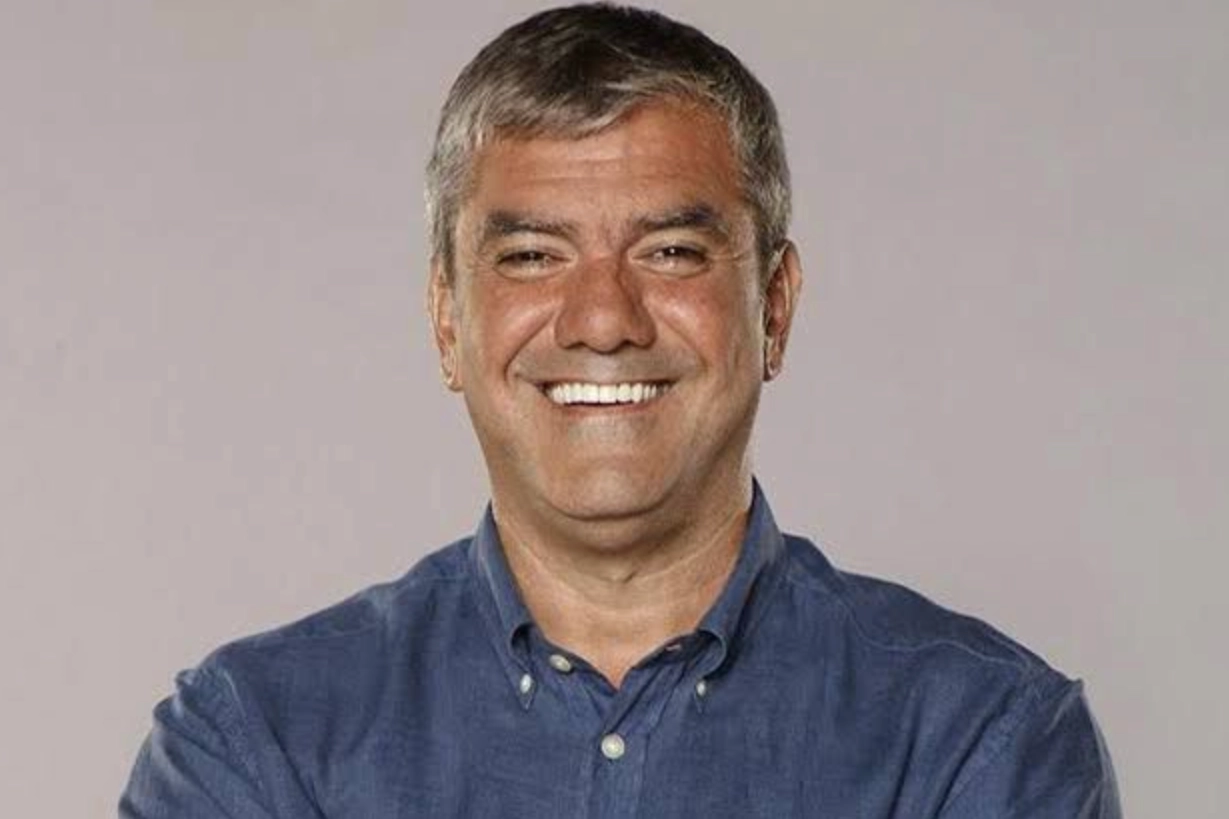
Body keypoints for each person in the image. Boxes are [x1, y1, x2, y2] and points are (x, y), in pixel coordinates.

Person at [120, 4, 1121, 817]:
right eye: (531, 256)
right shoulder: (256, 742)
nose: (602, 319)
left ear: (773, 307)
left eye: (670, 252)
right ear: (446, 320)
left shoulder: (979, 737)